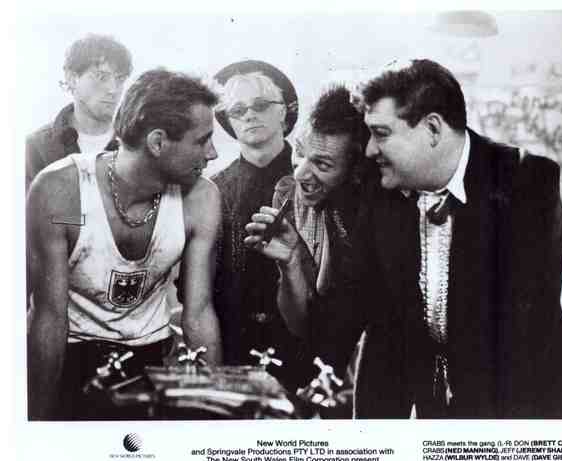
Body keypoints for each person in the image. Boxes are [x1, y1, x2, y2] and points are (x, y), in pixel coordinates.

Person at [309, 60, 562, 419]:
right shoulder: (382, 188)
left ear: (432, 128)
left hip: (528, 406)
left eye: (381, 133)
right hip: (440, 407)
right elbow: (372, 313)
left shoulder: (526, 180)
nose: (369, 150)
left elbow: (520, 326)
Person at [26, 69, 222, 420]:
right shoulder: (61, 190)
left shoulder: (202, 198)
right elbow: (49, 318)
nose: (213, 153)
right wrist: (36, 423)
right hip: (73, 355)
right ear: (157, 143)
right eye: (202, 140)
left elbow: (199, 312)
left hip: (150, 357)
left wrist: (216, 408)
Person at [243, 84, 371, 374]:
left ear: (356, 173)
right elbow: (302, 326)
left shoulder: (372, 216)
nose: (300, 173)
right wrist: (290, 264)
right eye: (299, 152)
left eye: (322, 164)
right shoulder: (287, 195)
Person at [209, 61, 302, 385]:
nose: (249, 115)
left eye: (260, 105)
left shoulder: (313, 179)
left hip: (302, 347)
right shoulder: (213, 190)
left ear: (284, 111)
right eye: (238, 110)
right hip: (233, 351)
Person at [25, 33, 133, 191]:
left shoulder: (135, 143)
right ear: (72, 78)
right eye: (101, 77)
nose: (113, 89)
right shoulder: (37, 147)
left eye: (120, 79)